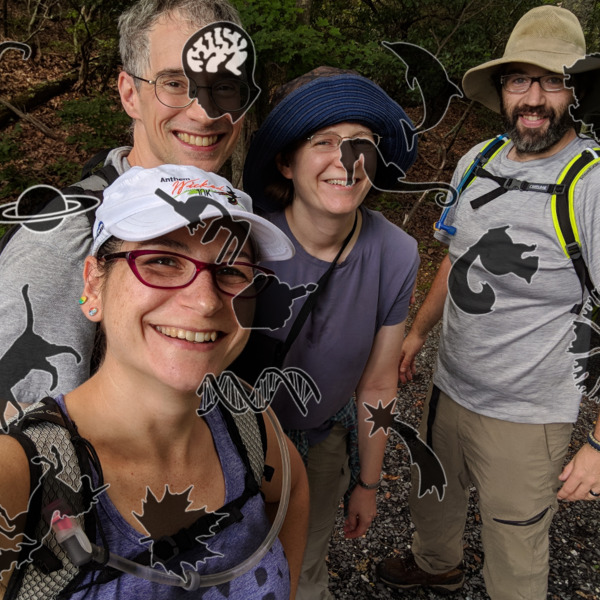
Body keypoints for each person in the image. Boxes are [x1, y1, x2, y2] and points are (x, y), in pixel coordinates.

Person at [0, 164, 308, 599]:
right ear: (93, 285)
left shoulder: (245, 420)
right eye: (163, 261)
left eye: (232, 270)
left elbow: (293, 492)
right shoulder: (21, 479)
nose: (205, 301)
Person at [376, 6, 600, 600]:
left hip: (529, 414)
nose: (534, 98)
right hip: (450, 387)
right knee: (434, 496)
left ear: (576, 92)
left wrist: (599, 444)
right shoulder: (476, 161)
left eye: (553, 81)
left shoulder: (591, 184)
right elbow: (455, 259)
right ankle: (437, 565)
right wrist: (417, 334)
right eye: (520, 79)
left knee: (516, 547)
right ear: (501, 89)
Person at [0, 0, 246, 408]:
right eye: (174, 83)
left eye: (224, 86)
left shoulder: (228, 216)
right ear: (130, 94)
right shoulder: (63, 240)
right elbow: (20, 425)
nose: (205, 114)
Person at [242, 67, 420, 600]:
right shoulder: (245, 239)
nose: (346, 160)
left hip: (319, 445)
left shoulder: (396, 254)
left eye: (361, 143)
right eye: (323, 142)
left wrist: (368, 483)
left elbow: (378, 383)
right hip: (230, 438)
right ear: (286, 162)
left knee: (301, 570)